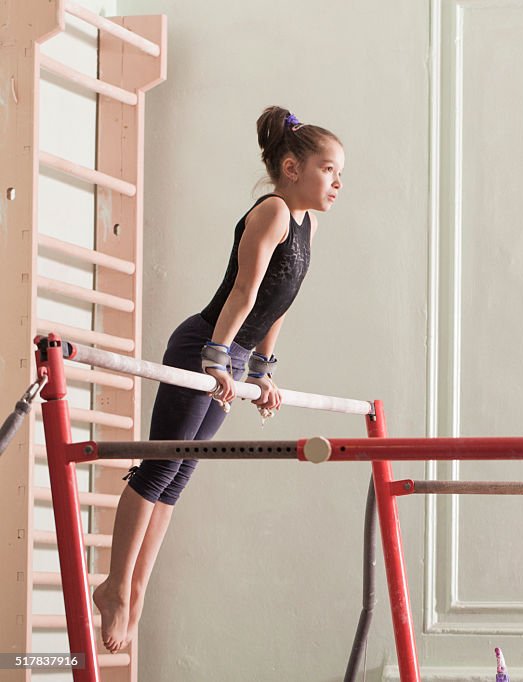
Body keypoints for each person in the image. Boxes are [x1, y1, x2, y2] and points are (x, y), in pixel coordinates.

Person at [91, 106, 344, 653]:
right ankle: (114, 585)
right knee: (159, 467)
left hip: (232, 353)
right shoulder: (273, 212)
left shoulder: (308, 225)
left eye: (339, 173)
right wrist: (217, 356)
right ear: (292, 167)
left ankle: (136, 589)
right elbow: (245, 293)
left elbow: (280, 303)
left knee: (178, 479)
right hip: (204, 343)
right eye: (328, 169)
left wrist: (261, 371)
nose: (337, 183)